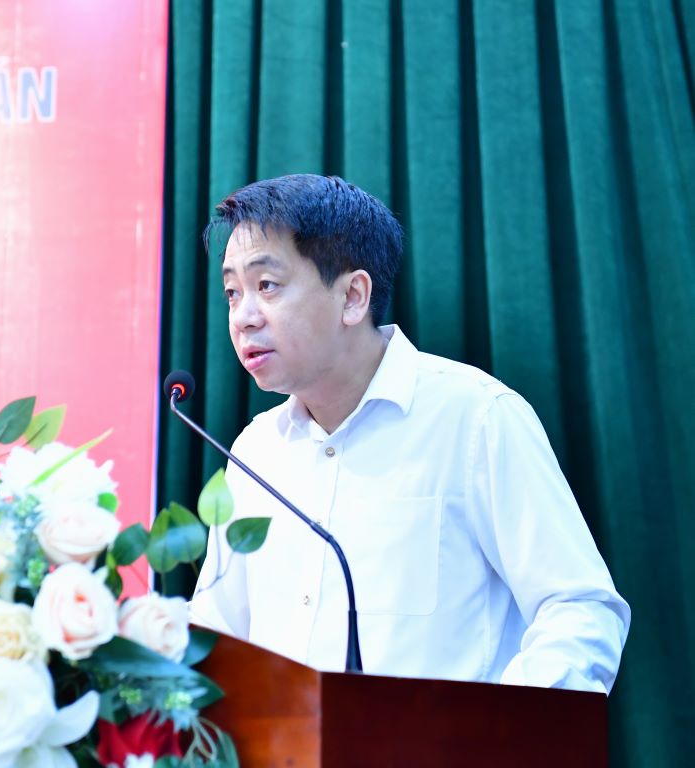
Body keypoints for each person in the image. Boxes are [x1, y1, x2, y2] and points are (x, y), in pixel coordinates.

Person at [188, 174, 630, 693]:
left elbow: (580, 609)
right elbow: (217, 636)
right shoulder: (256, 451)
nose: (242, 317)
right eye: (232, 292)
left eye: (266, 286)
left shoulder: (475, 418)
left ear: (353, 296)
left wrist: (495, 726)